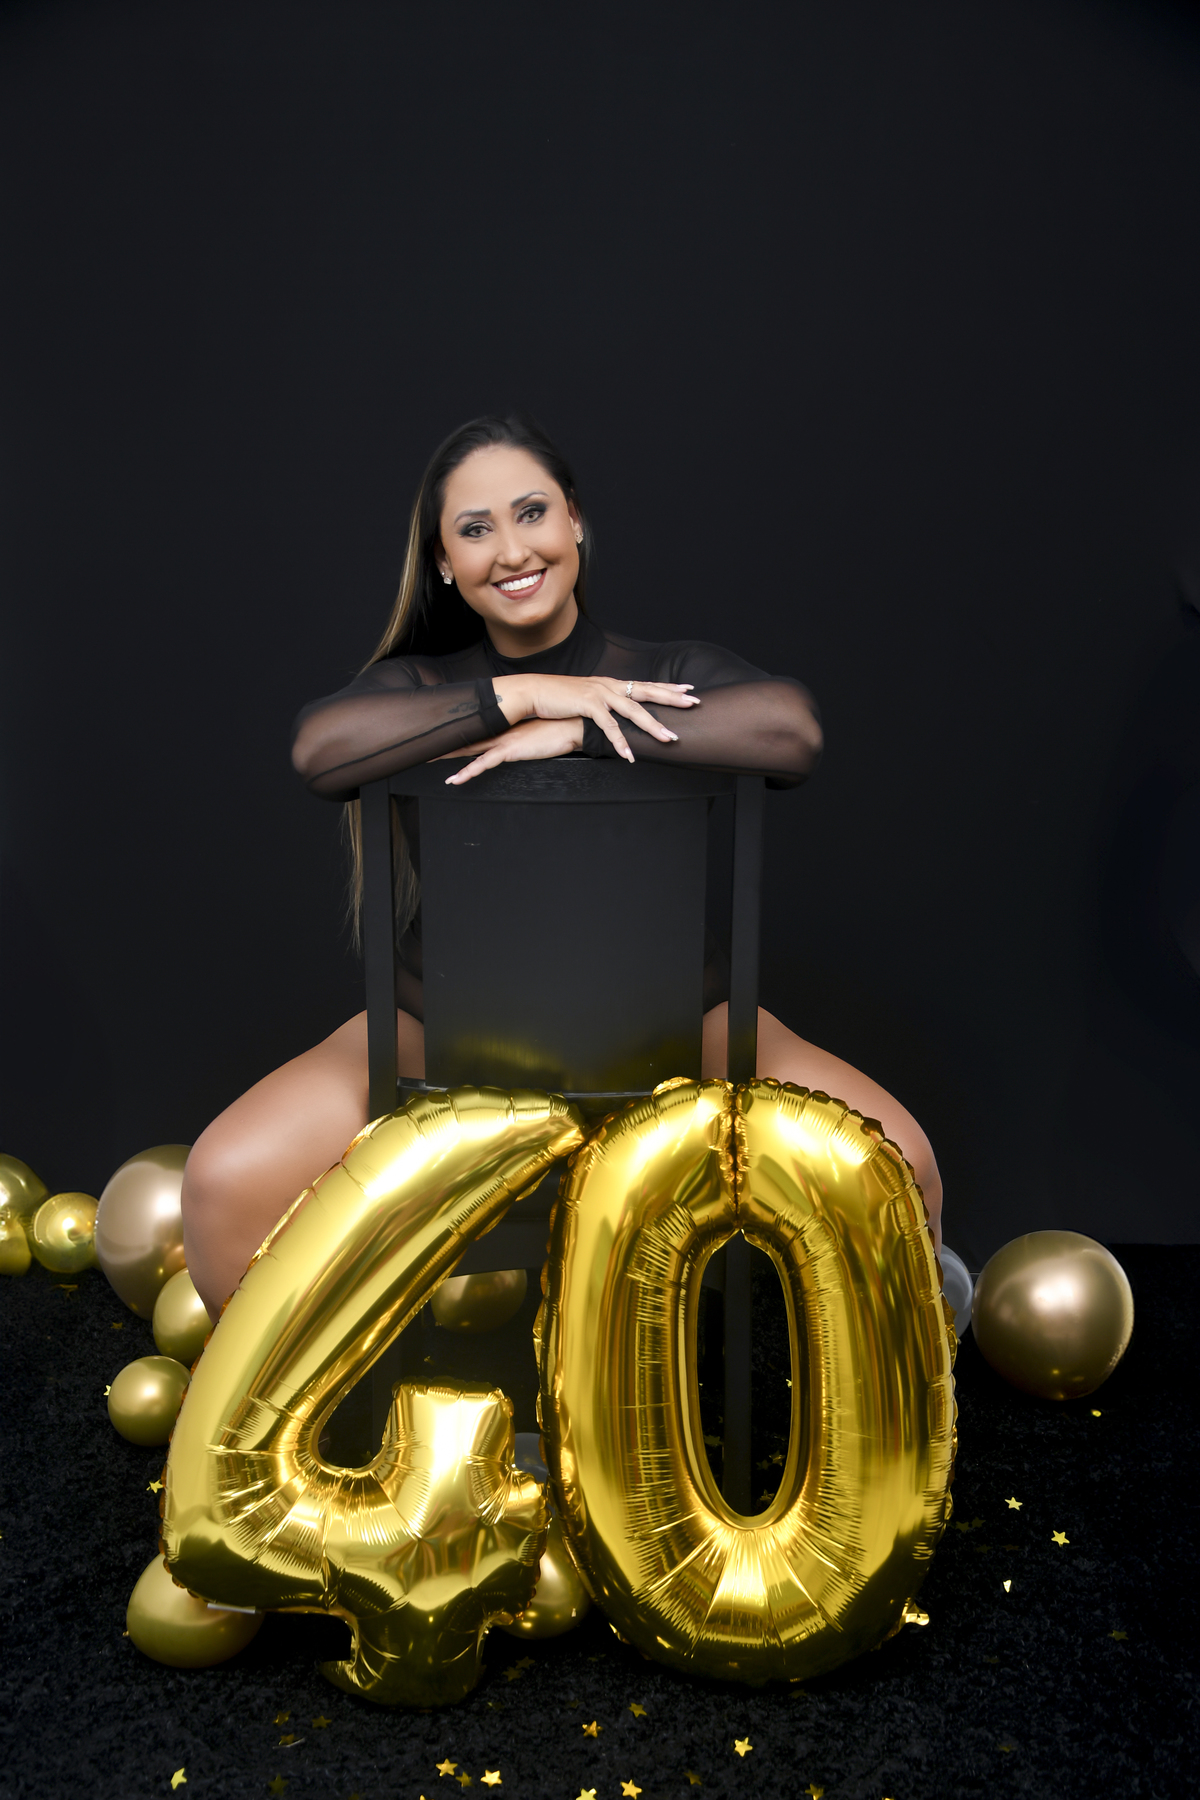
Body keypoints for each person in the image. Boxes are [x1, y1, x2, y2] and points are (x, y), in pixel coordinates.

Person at [181, 415, 943, 1317]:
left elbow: (790, 730)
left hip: (682, 1030)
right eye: (475, 529)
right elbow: (320, 749)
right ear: (444, 563)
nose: (512, 550)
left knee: (902, 1166)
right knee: (223, 1182)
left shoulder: (660, 669)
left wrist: (583, 726)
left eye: (532, 512)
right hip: (438, 1031)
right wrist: (522, 695)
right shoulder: (420, 687)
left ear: (574, 519)